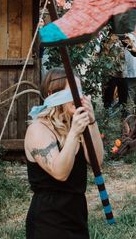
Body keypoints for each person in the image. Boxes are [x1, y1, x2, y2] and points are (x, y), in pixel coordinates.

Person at [24, 68, 104, 238]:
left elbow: (97, 161)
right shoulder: (38, 129)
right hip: (48, 218)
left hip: (77, 213)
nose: (79, 97)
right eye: (73, 91)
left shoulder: (74, 125)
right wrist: (74, 133)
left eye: (81, 91)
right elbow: (60, 173)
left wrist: (92, 121)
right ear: (53, 94)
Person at [101, 33, 134, 116]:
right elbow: (103, 54)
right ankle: (106, 119)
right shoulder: (106, 38)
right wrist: (111, 41)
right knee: (107, 101)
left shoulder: (124, 38)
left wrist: (131, 44)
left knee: (123, 101)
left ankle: (123, 120)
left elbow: (135, 53)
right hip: (110, 73)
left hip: (122, 73)